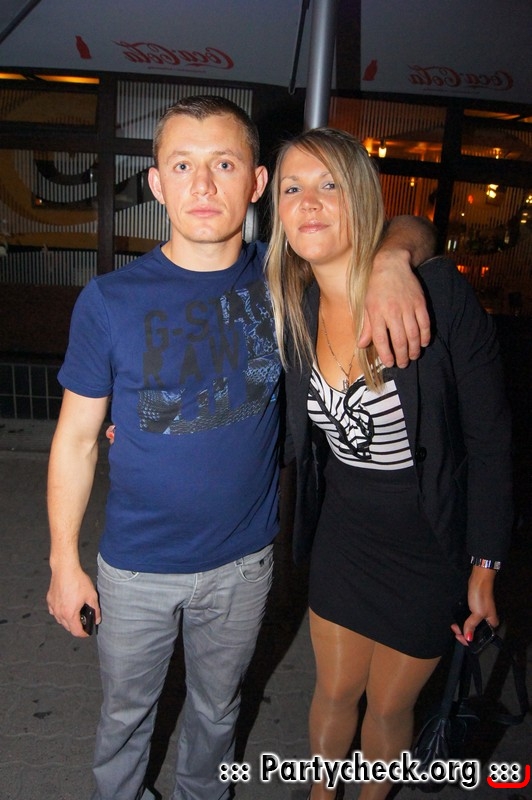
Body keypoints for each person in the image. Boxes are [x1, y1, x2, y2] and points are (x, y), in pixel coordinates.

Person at [46, 96, 435, 800]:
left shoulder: (286, 280)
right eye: (182, 166)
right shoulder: (109, 300)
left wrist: (393, 259)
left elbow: (410, 226)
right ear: (156, 184)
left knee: (218, 710)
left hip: (245, 564)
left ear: (256, 183)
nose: (202, 185)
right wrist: (62, 563)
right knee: (126, 716)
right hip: (136, 568)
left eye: (223, 164)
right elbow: (75, 439)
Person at [266, 127, 513, 800]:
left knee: (388, 706)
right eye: (292, 188)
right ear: (277, 210)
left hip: (428, 544)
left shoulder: (434, 293)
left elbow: (491, 440)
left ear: (362, 199)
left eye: (330, 185)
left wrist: (485, 565)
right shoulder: (292, 307)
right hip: (345, 535)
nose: (309, 202)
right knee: (334, 690)